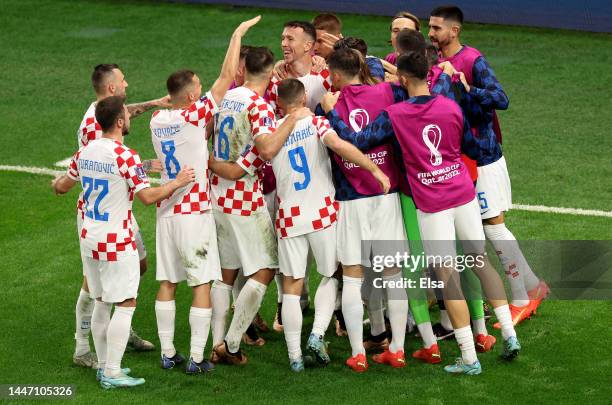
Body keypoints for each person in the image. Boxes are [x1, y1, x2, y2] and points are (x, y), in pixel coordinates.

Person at [322, 51, 522, 375]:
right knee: (479, 261)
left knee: (447, 277)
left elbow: (359, 140)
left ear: (401, 79)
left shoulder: (395, 114)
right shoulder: (451, 106)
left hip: (432, 204)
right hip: (463, 193)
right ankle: (508, 335)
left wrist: (333, 114)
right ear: (429, 74)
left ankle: (469, 358)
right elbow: (471, 148)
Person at [52, 96, 196, 388]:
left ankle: (104, 366)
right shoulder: (124, 156)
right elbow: (147, 197)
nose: (130, 119)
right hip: (116, 239)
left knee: (102, 301)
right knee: (126, 303)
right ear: (119, 122)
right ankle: (112, 372)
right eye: (127, 116)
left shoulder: (84, 153)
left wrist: (55, 184)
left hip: (89, 238)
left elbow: (62, 187)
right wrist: (177, 182)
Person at [150, 16, 260, 374]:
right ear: (194, 96)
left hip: (165, 214)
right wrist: (237, 35)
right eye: (199, 85)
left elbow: (167, 104)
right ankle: (197, 358)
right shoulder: (194, 116)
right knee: (200, 284)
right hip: (194, 213)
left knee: (167, 283)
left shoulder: (158, 122)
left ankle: (167, 353)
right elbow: (227, 78)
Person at [428, 5, 548, 325]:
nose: (431, 33)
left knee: (493, 228)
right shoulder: (436, 61)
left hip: (483, 157)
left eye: (436, 28)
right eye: (429, 27)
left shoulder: (472, 61)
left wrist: (467, 88)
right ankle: (534, 285)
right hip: (460, 159)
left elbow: (501, 98)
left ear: (454, 31)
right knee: (481, 230)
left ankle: (522, 298)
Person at [208, 46, 311, 365]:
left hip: (218, 194)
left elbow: (209, 130)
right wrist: (291, 119)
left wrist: (218, 161)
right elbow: (267, 149)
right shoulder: (259, 105)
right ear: (269, 74)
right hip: (243, 197)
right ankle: (233, 343)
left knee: (225, 274)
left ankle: (215, 342)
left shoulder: (228, 95)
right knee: (266, 268)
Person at [71, 63, 168, 368]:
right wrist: (153, 171)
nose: (127, 85)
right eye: (123, 81)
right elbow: (107, 163)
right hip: (103, 215)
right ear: (112, 89)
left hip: (118, 209)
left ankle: (119, 327)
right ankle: (83, 346)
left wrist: (154, 104)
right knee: (93, 283)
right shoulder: (94, 127)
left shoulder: (103, 110)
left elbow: (124, 117)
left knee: (138, 264)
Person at [268, 21, 332, 113]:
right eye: (283, 38)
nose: (283, 43)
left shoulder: (327, 77)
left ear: (307, 46)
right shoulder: (277, 79)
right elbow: (275, 120)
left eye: (290, 39)